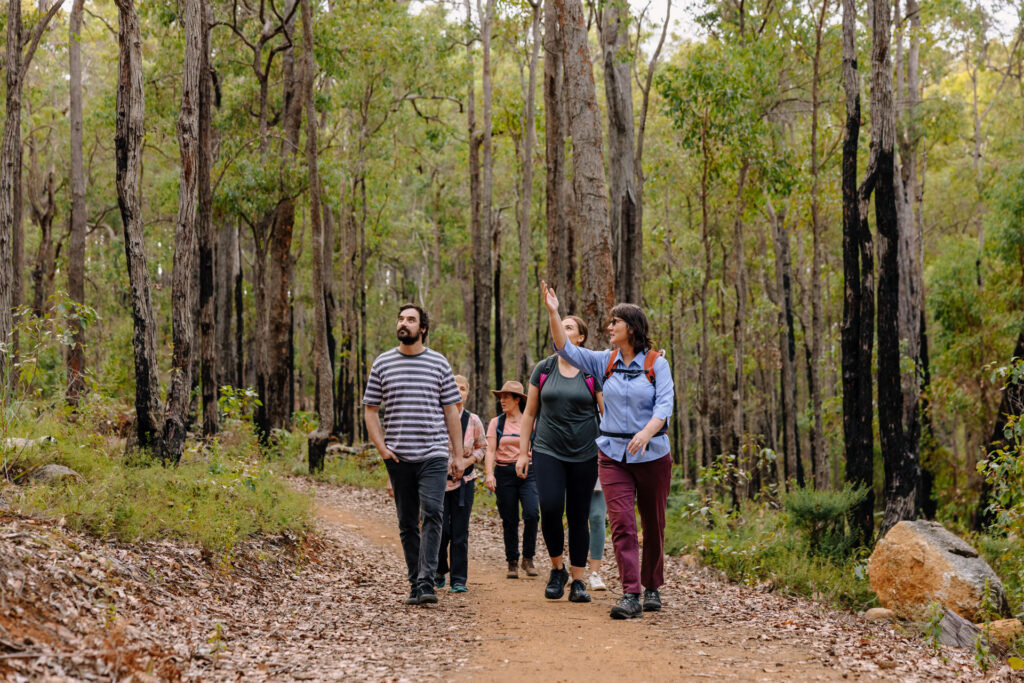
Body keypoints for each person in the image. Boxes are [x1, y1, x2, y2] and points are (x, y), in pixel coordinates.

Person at [542, 282, 675, 620]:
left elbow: (664, 406)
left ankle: (652, 586)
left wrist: (646, 432)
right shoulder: (605, 361)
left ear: (631, 328)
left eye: (615, 322)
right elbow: (565, 349)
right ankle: (631, 593)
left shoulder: (657, 364)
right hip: (613, 454)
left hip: (653, 454)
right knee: (622, 524)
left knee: (654, 523)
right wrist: (554, 312)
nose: (609, 327)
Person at [364, 303, 470, 606]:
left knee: (433, 513)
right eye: (401, 319)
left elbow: (451, 411)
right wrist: (382, 449)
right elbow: (370, 411)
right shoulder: (383, 363)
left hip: (433, 454)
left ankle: (426, 582)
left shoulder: (438, 363)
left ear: (422, 328)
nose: (404, 323)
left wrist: (458, 455)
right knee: (407, 522)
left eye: (411, 320)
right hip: (398, 457)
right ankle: (415, 581)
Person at [516, 316, 604, 604]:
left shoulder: (591, 372)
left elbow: (606, 414)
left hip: (585, 453)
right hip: (547, 450)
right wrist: (522, 452)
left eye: (569, 327)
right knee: (551, 507)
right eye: (560, 325)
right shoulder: (544, 368)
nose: (562, 330)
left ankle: (578, 581)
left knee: (579, 516)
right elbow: (529, 413)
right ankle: (557, 569)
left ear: (580, 339)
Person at [435, 375, 486, 593]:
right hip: (438, 482)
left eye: (462, 388)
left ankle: (458, 580)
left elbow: (482, 447)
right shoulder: (437, 417)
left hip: (465, 483)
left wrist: (468, 461)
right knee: (440, 529)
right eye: (454, 387)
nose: (458, 391)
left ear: (467, 393)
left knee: (459, 531)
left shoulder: (473, 420)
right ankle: (438, 569)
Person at [484, 380, 539, 579]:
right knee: (510, 519)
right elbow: (490, 450)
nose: (502, 401)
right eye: (501, 397)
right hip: (504, 473)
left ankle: (528, 558)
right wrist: (489, 474)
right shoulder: (496, 423)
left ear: (518, 400)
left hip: (528, 472)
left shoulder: (531, 421)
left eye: (506, 397)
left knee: (532, 513)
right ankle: (512, 561)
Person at [588, 481, 608, 591]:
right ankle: (574, 568)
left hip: (600, 470)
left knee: (597, 518)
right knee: (577, 517)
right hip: (575, 466)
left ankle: (594, 573)